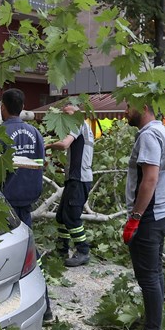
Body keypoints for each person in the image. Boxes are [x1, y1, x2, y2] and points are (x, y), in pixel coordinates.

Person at [117, 103, 165, 330]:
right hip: (162, 211)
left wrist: (135, 217)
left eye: (129, 106)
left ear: (143, 106)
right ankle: (152, 328)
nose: (125, 112)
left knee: (149, 277)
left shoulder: (149, 135)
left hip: (151, 215)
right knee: (155, 274)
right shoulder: (162, 131)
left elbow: (150, 178)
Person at [48, 104, 94, 267]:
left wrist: (46, 145)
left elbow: (64, 144)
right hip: (74, 178)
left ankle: (83, 251)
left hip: (79, 178)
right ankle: (62, 249)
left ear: (77, 114)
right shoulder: (84, 126)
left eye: (67, 113)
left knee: (71, 217)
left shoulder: (78, 123)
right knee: (61, 216)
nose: (64, 117)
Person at [0, 89, 45, 227]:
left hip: (5, 198)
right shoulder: (35, 133)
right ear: (22, 107)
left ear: (2, 107)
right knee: (25, 237)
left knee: (8, 240)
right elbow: (41, 163)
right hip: (28, 195)